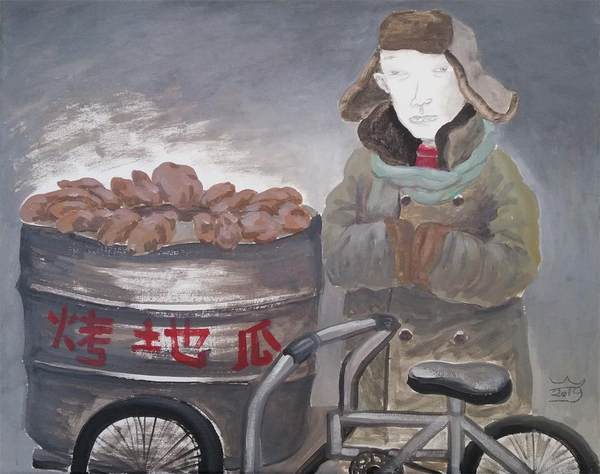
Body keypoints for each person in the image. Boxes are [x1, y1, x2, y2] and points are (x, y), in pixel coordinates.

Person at [322, 9, 541, 440]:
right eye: (400, 76)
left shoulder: (497, 172)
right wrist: (391, 246)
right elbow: (334, 255)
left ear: (466, 82)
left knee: (463, 457)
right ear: (382, 83)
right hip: (378, 383)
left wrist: (440, 255)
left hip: (468, 374)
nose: (418, 97)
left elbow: (519, 266)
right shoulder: (363, 168)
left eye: (437, 74)